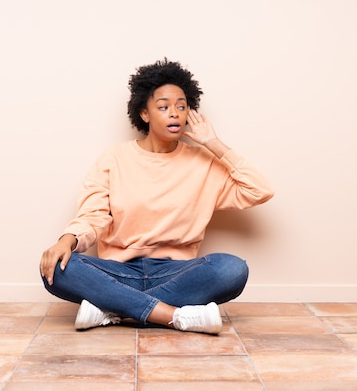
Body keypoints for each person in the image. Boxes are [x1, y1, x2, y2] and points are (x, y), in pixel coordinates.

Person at [39, 59, 274, 334]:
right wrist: (65, 241)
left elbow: (260, 190)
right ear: (145, 114)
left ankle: (115, 310)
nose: (174, 113)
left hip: (176, 273)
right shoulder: (115, 158)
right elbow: (93, 216)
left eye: (181, 106)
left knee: (231, 269)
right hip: (118, 272)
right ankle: (173, 315)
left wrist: (213, 142)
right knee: (58, 267)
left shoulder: (203, 162)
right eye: (163, 107)